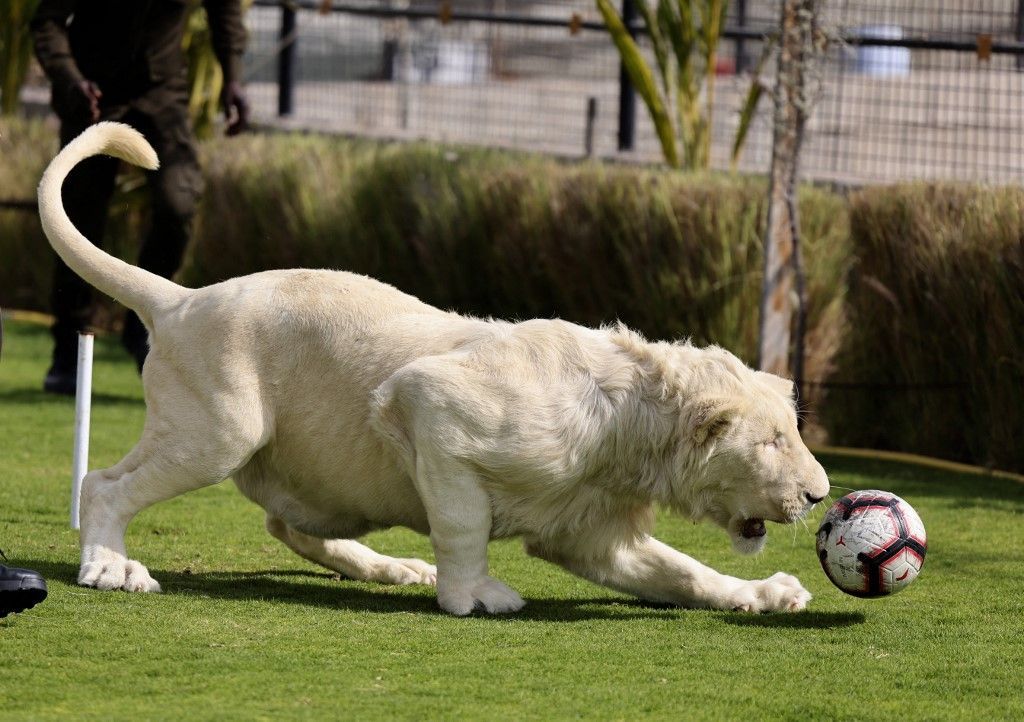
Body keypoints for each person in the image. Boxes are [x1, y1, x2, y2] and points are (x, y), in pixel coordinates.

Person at [31, 0, 249, 394]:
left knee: (178, 204)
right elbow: (46, 22)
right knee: (78, 221)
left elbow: (225, 11)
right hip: (92, 91)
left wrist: (233, 77)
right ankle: (69, 346)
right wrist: (69, 78)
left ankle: (141, 324)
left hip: (162, 92)